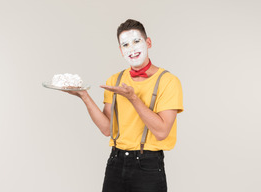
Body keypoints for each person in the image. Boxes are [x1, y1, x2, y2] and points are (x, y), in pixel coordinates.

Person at [64, 19, 183, 192]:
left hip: (148, 164)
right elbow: (108, 130)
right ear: (121, 51)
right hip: (116, 161)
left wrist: (133, 98)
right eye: (125, 44)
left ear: (148, 42)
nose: (132, 48)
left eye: (136, 41)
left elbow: (162, 131)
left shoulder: (168, 81)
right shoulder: (115, 81)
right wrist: (85, 96)